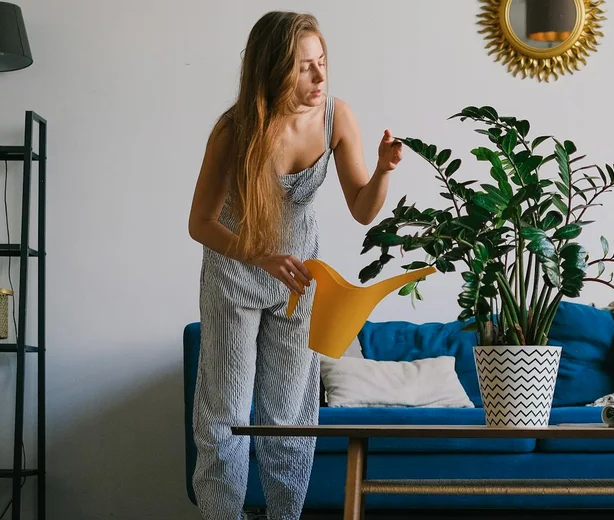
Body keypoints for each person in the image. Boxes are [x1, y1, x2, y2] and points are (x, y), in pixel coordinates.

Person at [186, 10, 402, 520]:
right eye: (305, 67)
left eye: (322, 62)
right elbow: (200, 223)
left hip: (297, 287)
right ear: (273, 69)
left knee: (288, 420)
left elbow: (363, 209)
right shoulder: (235, 130)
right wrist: (258, 254)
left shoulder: (336, 117)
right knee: (226, 418)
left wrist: (385, 171)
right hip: (234, 280)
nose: (320, 77)